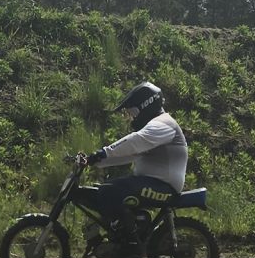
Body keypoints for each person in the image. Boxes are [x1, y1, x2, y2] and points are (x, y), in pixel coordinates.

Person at [81, 82, 188, 242]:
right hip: (154, 183)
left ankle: (130, 240)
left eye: (132, 112)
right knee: (105, 190)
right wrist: (96, 161)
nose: (132, 117)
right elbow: (131, 154)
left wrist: (104, 152)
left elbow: (135, 141)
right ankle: (125, 233)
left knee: (110, 191)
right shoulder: (156, 126)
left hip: (165, 187)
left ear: (145, 105)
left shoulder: (163, 124)